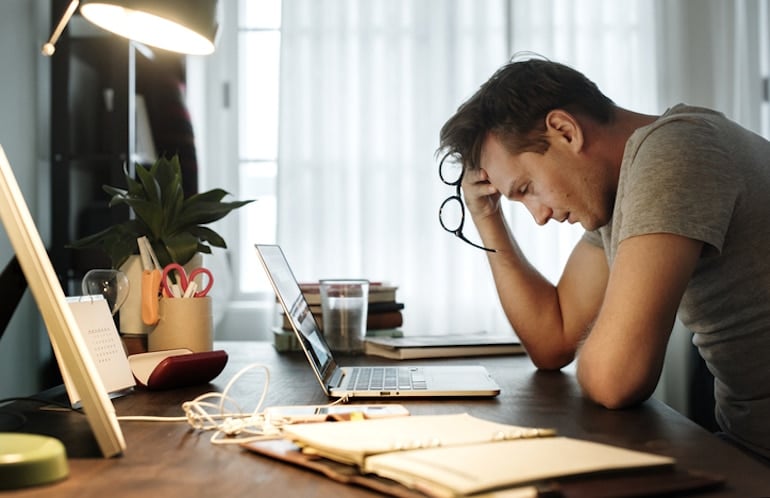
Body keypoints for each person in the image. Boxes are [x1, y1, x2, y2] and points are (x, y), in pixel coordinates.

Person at [437, 56, 770, 463]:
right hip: (745, 448)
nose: (540, 216)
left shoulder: (676, 150)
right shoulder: (621, 192)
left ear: (564, 130)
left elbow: (617, 378)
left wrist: (607, 347)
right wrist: (486, 215)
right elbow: (553, 340)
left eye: (527, 188)